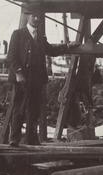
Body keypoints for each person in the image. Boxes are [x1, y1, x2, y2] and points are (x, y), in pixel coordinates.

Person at [6, 13, 64, 146]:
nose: (37, 19)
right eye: (34, 16)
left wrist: (67, 46)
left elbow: (52, 50)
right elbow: (11, 57)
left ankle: (31, 139)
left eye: (39, 17)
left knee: (34, 110)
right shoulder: (18, 34)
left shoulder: (40, 37)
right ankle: (14, 139)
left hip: (37, 79)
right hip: (23, 79)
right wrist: (19, 73)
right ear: (28, 17)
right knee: (19, 108)